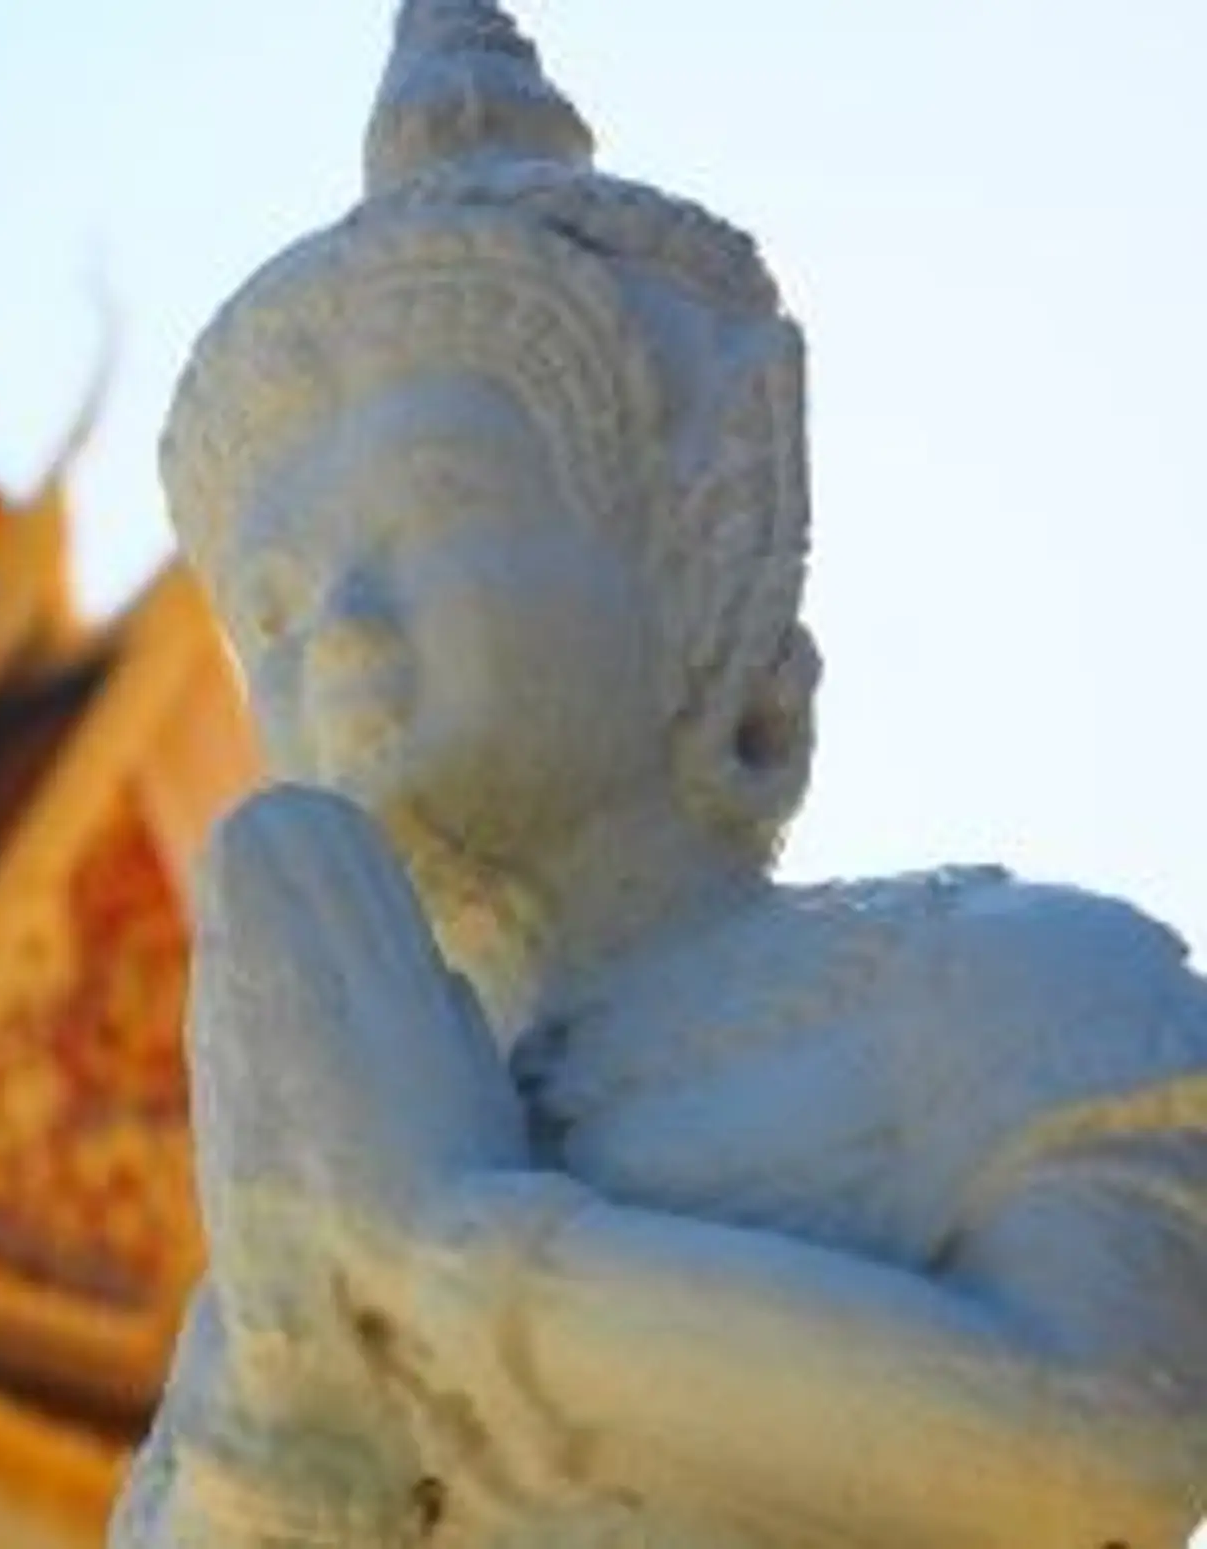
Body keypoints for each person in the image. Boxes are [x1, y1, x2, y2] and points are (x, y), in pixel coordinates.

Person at [112, 3, 1207, 1545]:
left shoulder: (1002, 989)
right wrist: (294, 1380)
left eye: (427, 506)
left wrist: (450, 1258)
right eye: (272, 607)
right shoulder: (287, 1240)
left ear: (695, 549)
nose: (338, 638)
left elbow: (1105, 1443)